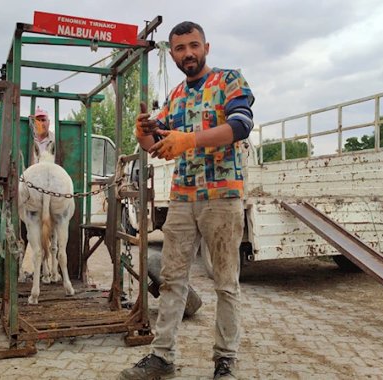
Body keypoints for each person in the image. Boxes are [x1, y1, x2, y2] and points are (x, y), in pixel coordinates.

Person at [119, 21, 254, 380]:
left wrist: (189, 140)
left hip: (223, 197)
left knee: (226, 282)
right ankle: (162, 356)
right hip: (182, 198)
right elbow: (158, 146)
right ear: (174, 53)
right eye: (180, 49)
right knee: (172, 279)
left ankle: (225, 360)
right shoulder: (177, 95)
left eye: (193, 46)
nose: (188, 54)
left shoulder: (229, 82)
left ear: (206, 47)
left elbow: (241, 125)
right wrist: (144, 132)